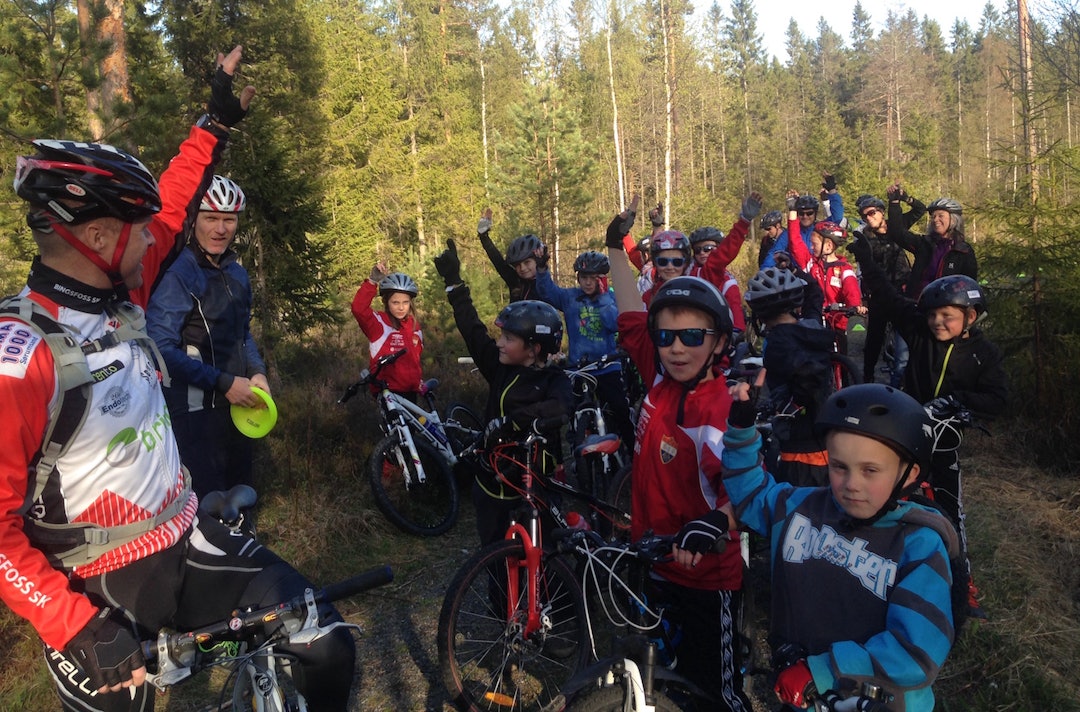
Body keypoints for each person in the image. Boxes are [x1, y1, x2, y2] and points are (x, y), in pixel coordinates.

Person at [0, 48, 355, 712]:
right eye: (140, 229)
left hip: (187, 540)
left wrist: (215, 122)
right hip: (94, 589)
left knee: (328, 640)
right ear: (99, 236)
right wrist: (73, 626)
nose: (158, 238)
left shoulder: (121, 289)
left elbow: (177, 195)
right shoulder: (21, 356)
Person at [722, 383, 958, 711]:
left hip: (877, 701)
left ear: (909, 474)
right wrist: (741, 432)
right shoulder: (800, 508)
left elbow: (915, 650)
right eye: (839, 466)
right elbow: (751, 495)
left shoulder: (918, 545)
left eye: (870, 470)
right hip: (807, 693)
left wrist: (822, 670)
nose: (851, 484)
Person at [605, 202, 753, 711]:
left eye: (693, 336)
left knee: (715, 693)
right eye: (667, 336)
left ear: (717, 343)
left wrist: (716, 522)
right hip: (658, 565)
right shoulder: (659, 379)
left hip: (707, 583)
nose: (677, 348)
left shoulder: (720, 412)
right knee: (668, 684)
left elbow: (747, 494)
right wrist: (612, 246)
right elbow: (630, 312)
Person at [847, 235, 1006, 618]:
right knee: (886, 501)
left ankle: (962, 586)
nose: (937, 322)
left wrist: (959, 402)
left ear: (970, 317)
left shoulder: (982, 354)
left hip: (944, 442)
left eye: (947, 316)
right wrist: (867, 258)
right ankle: (871, 571)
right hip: (905, 436)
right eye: (933, 315)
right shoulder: (919, 329)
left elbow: (999, 400)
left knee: (951, 513)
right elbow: (885, 296)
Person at [433, 239, 573, 547]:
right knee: (497, 563)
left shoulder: (555, 380)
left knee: (547, 559)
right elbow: (473, 330)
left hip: (536, 485)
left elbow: (560, 407)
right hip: (492, 486)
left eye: (508, 337)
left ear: (534, 348)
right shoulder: (500, 368)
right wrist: (454, 284)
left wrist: (514, 421)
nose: (499, 343)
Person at [146, 174, 269, 498]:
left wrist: (257, 372)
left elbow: (244, 333)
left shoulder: (237, 273)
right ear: (193, 221)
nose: (220, 228)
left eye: (229, 219)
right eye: (211, 218)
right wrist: (223, 383)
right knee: (207, 509)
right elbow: (160, 348)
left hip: (240, 407)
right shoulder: (179, 274)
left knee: (242, 496)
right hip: (194, 415)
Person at [743, 266, 835, 487]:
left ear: (761, 314)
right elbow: (814, 297)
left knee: (798, 504)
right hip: (826, 433)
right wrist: (796, 269)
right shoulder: (811, 327)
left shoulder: (777, 343)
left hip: (801, 445)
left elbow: (806, 383)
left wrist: (787, 407)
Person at [534, 249, 635, 450]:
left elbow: (613, 324)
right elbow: (547, 292)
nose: (587, 282)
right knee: (570, 411)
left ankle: (633, 452)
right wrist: (542, 268)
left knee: (619, 409)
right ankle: (577, 450)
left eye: (592, 278)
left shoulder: (611, 299)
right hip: (578, 367)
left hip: (606, 366)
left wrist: (604, 297)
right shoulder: (570, 297)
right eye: (583, 277)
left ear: (601, 279)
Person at [851, 192, 921, 385]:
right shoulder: (864, 237)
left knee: (907, 339)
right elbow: (864, 268)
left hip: (903, 289)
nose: (868, 217)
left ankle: (906, 380)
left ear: (882, 212)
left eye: (872, 213)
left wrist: (904, 198)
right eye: (864, 215)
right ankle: (867, 378)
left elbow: (920, 210)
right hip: (881, 293)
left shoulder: (896, 227)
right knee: (874, 338)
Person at [788, 218, 865, 355]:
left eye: (814, 244)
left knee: (841, 357)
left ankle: (843, 376)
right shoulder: (811, 264)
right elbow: (795, 243)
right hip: (813, 319)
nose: (811, 247)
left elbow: (851, 289)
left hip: (836, 322)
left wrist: (855, 305)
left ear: (828, 246)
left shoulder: (844, 268)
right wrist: (793, 214)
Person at [348, 263, 424, 399]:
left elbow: (414, 359)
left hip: (412, 392)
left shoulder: (414, 326)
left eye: (405, 302)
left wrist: (418, 381)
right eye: (395, 302)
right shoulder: (379, 324)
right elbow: (358, 309)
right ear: (386, 302)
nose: (401, 307)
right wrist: (372, 282)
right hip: (387, 393)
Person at [886, 188, 977, 296]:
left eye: (940, 216)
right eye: (933, 216)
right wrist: (894, 203)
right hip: (917, 304)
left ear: (953, 219)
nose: (935, 219)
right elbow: (897, 233)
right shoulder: (924, 243)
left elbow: (970, 285)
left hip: (944, 308)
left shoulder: (963, 251)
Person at [761, 173, 845, 268]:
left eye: (809, 213)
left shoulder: (821, 229)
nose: (805, 216)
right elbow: (773, 254)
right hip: (797, 278)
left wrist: (832, 191)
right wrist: (763, 273)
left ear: (815, 213)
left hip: (820, 275)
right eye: (801, 213)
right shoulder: (789, 233)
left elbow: (837, 217)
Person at [476, 208, 546, 302]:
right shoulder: (515, 280)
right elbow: (498, 261)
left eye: (527, 262)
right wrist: (484, 237)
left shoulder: (545, 284)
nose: (522, 268)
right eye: (517, 265)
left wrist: (543, 265)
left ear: (537, 260)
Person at [688, 225, 747, 335]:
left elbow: (735, 308)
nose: (702, 253)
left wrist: (736, 331)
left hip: (715, 334)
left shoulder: (727, 282)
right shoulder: (688, 270)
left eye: (708, 249)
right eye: (697, 250)